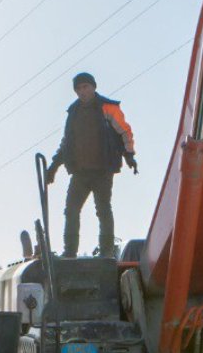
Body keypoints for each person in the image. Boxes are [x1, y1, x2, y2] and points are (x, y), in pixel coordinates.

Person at [45, 72, 136, 258]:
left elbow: (124, 131)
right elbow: (66, 143)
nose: (82, 91)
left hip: (103, 170)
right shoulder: (73, 112)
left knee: (103, 209)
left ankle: (106, 252)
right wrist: (54, 167)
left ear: (93, 87)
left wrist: (129, 154)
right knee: (70, 210)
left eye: (85, 87)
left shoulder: (108, 108)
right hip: (80, 172)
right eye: (78, 89)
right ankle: (69, 252)